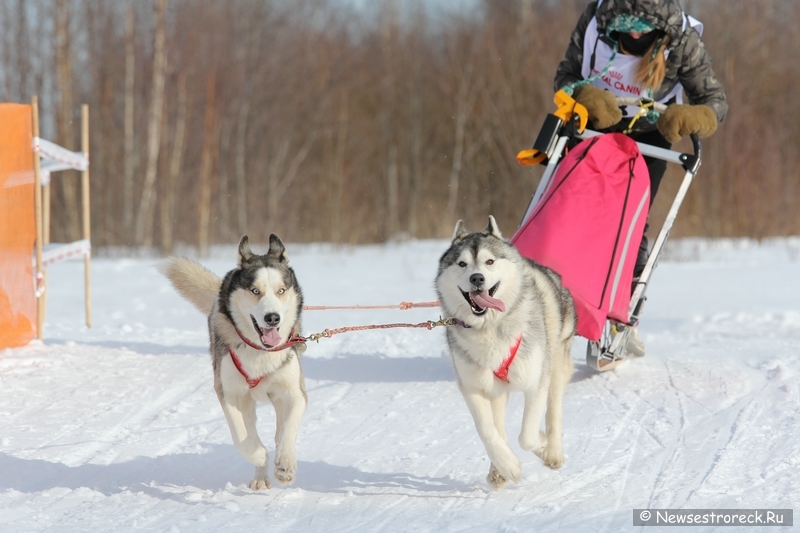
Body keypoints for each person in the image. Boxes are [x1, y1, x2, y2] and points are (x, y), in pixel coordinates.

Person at [553, 0, 727, 355]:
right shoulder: (595, 22)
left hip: (651, 135)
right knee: (569, 212)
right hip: (594, 124)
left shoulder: (682, 39)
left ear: (660, 30)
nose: (632, 35)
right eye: (623, 29)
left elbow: (714, 100)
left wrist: (694, 117)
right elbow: (566, 76)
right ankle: (549, 299)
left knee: (631, 223)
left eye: (642, 31)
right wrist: (583, 94)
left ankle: (622, 315)